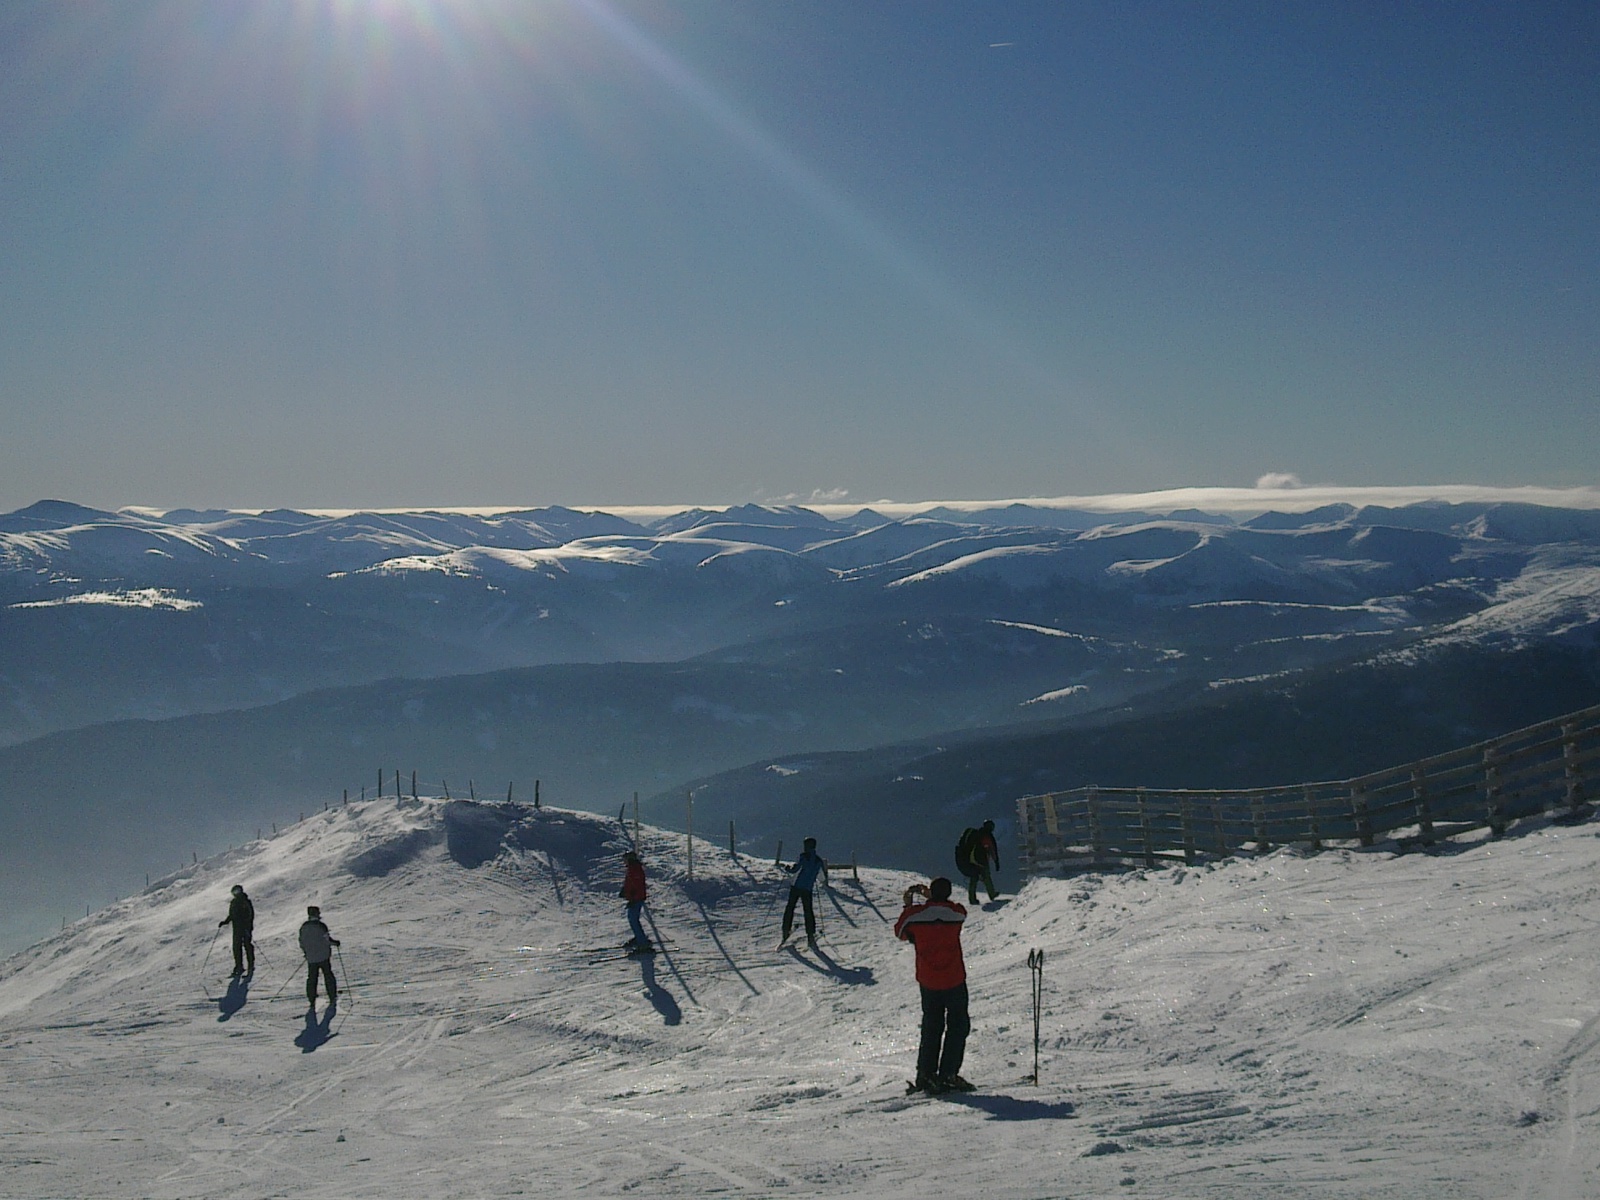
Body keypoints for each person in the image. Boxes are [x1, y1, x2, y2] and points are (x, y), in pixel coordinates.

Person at [894, 876, 973, 1094]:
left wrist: (909, 905)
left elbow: (900, 933)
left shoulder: (915, 915)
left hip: (928, 979)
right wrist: (933, 898)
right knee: (958, 1025)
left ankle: (926, 1074)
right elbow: (959, 911)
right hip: (954, 978)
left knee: (932, 1025)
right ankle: (948, 1073)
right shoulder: (956, 913)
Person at [781, 837, 828, 949]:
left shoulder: (803, 856)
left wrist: (787, 868)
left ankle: (785, 930)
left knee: (790, 907)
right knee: (808, 911)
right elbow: (822, 878)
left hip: (796, 887)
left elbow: (795, 870)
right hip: (807, 889)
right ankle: (810, 935)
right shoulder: (818, 861)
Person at [298, 905, 340, 1007]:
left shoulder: (304, 927)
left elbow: (301, 942)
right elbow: (327, 940)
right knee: (328, 975)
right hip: (323, 956)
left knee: (312, 977)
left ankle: (311, 998)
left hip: (311, 957)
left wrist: (306, 952)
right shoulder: (321, 926)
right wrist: (336, 943)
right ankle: (332, 995)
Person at [955, 819, 1001, 905]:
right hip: (981, 860)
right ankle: (992, 894)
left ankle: (972, 899)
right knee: (986, 876)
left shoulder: (975, 834)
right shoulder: (987, 836)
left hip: (970, 860)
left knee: (974, 878)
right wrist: (996, 862)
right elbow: (992, 850)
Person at [217, 884, 255, 977]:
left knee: (247, 945)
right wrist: (225, 922)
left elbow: (250, 914)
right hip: (237, 928)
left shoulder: (245, 901)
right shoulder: (234, 902)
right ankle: (239, 966)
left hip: (245, 927)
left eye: (237, 891)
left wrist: (247, 925)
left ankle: (251, 964)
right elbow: (232, 915)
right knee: (236, 947)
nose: (236, 893)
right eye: (234, 892)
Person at [621, 850, 651, 952]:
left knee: (633, 919)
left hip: (637, 898)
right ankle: (639, 937)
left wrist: (633, 896)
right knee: (632, 918)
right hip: (634, 898)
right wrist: (624, 891)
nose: (624, 862)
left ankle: (642, 942)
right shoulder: (632, 868)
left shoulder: (635, 869)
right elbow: (630, 883)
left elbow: (637, 885)